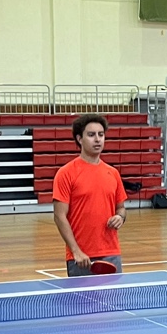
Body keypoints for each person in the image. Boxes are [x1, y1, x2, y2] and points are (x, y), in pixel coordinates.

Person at [53, 114, 127, 275]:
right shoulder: (66, 173)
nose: (98, 139)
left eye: (101, 134)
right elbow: (59, 216)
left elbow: (121, 208)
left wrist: (120, 217)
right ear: (79, 139)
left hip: (111, 253)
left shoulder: (113, 173)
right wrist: (76, 251)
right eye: (91, 135)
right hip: (81, 257)